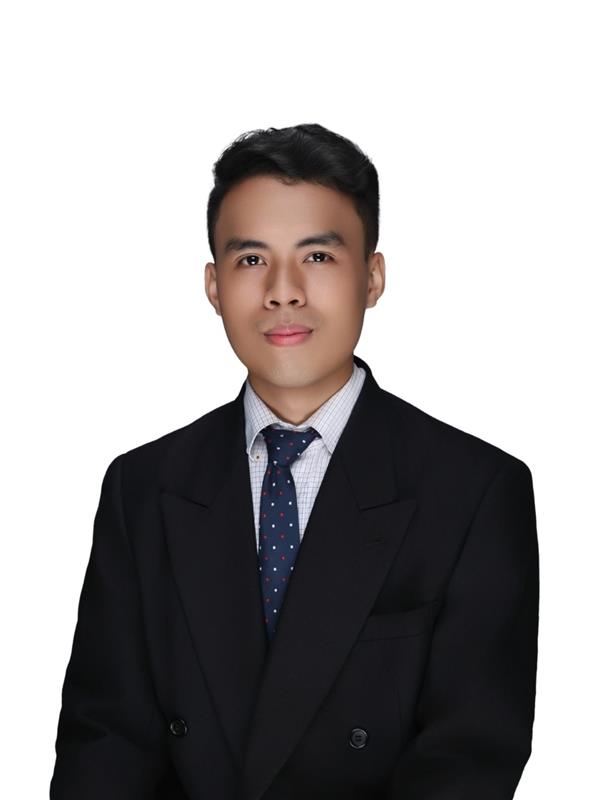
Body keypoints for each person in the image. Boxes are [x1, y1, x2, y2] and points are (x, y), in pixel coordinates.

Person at [50, 123, 539, 800]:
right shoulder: (142, 487)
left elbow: (468, 758)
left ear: (372, 277)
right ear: (214, 286)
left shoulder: (475, 491)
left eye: (317, 256)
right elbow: (104, 745)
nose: (283, 291)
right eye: (251, 259)